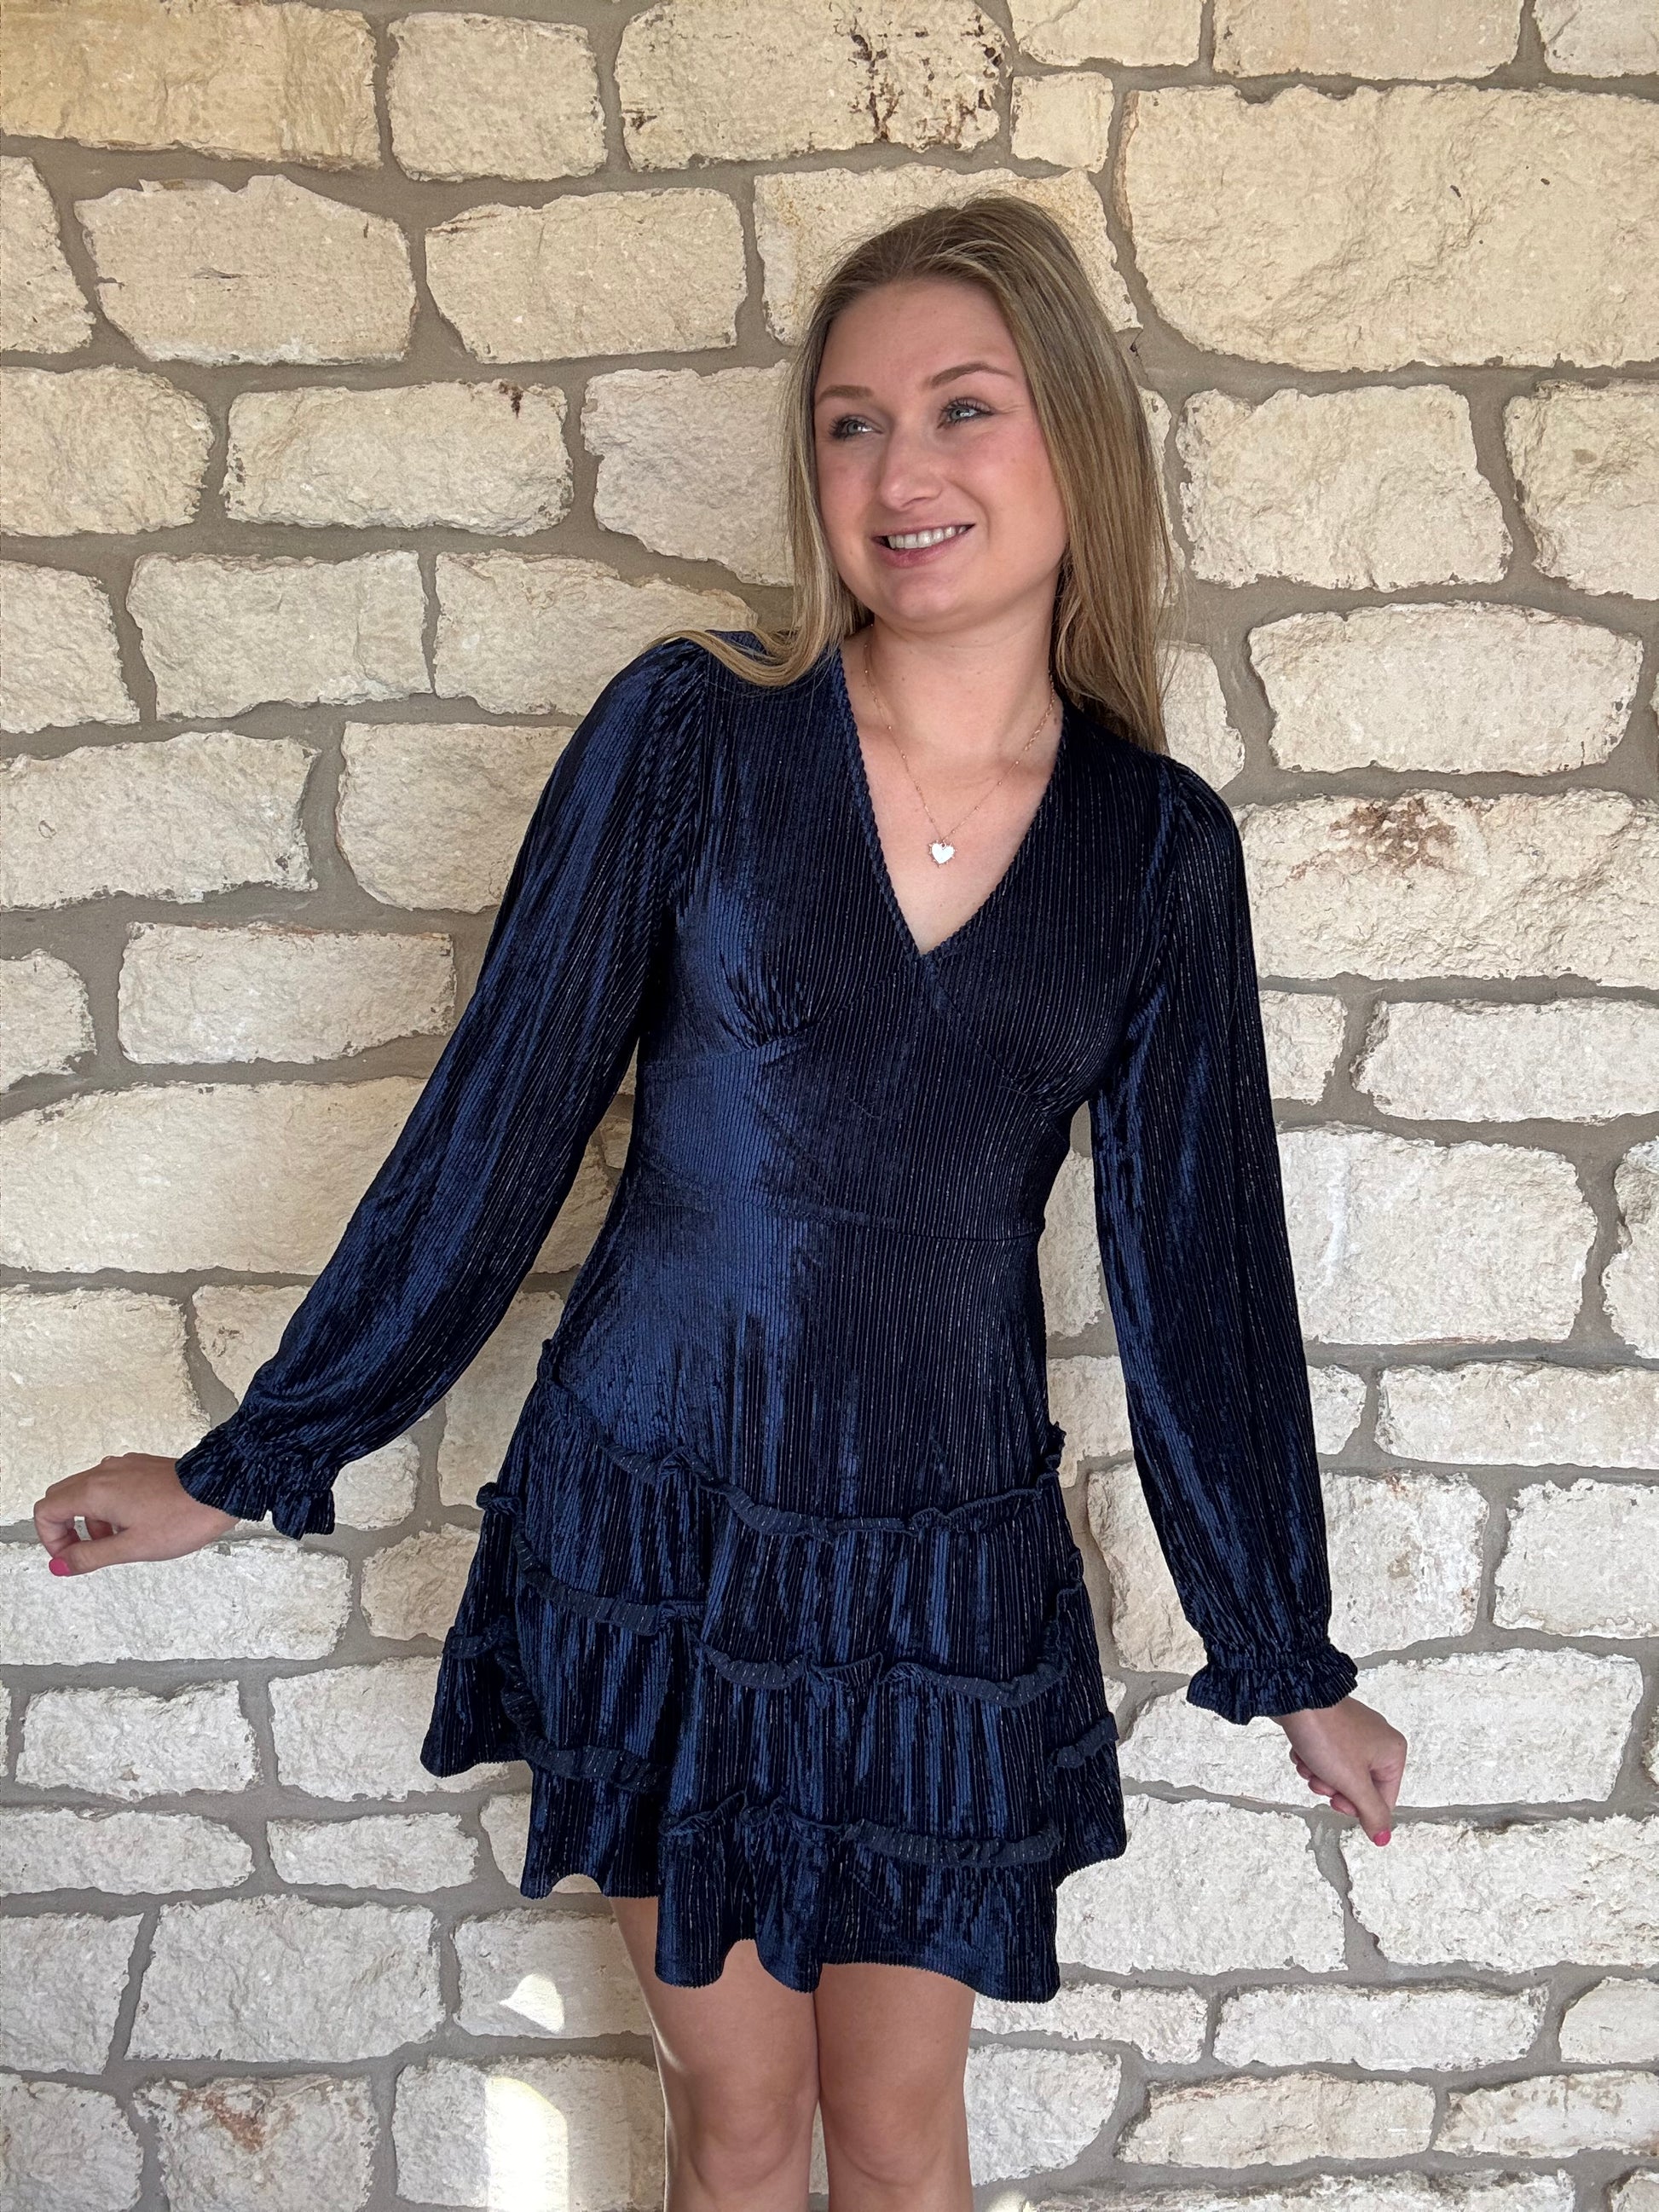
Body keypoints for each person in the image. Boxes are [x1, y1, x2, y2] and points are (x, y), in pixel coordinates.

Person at [35, 196, 1406, 2212]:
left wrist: (1280, 1643)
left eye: (961, 407)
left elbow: (1197, 1267)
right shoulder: (692, 731)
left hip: (941, 1573)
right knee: (742, 2128)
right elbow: (501, 1113)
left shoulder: (1155, 849)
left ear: (1077, 441)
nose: (898, 469)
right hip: (660, 1526)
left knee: (904, 2142)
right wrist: (259, 1457)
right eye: (850, 423)